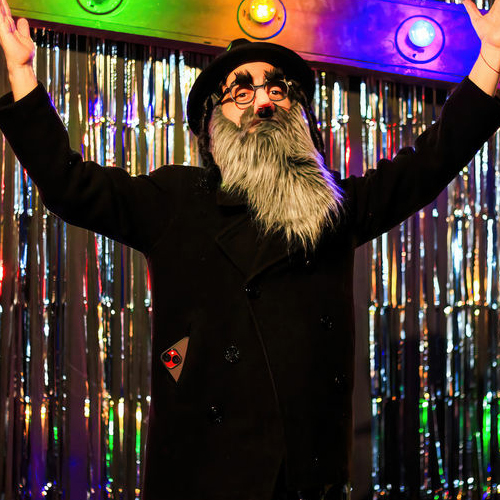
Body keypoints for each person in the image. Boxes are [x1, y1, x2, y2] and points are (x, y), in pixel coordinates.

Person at [0, 0, 500, 498]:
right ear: (212, 128)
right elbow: (71, 186)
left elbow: (429, 164)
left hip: (306, 478)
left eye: (277, 89)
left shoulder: (335, 209)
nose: (263, 102)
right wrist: (22, 74)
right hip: (204, 475)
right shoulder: (176, 201)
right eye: (242, 91)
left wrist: (490, 60)